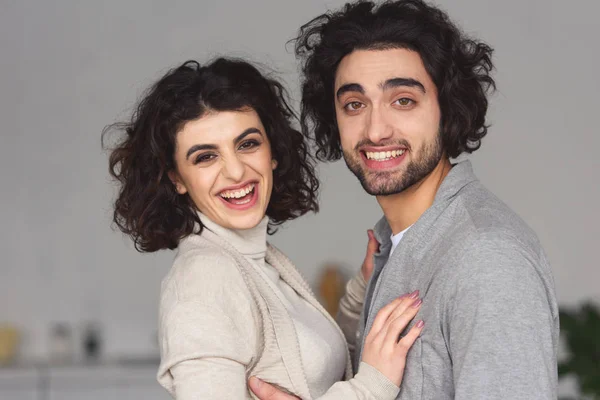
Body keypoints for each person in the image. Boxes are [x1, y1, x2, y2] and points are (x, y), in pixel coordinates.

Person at [249, 0, 559, 399]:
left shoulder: (487, 258)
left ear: (447, 110)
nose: (376, 130)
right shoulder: (395, 244)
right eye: (355, 105)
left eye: (403, 100)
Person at [104, 57, 425, 399]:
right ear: (176, 178)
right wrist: (373, 386)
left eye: (247, 144)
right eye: (205, 157)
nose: (236, 172)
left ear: (272, 151)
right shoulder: (204, 278)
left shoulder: (254, 260)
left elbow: (316, 373)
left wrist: (362, 290)